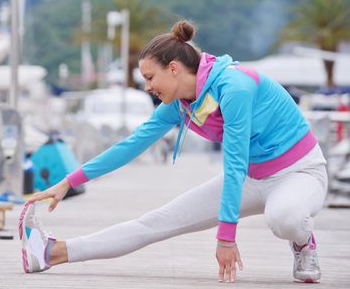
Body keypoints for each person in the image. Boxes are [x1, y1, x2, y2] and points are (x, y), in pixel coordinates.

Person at [19, 20, 327, 283]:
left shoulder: (235, 87)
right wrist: (67, 182)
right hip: (252, 177)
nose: (147, 87)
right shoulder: (180, 104)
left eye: (150, 78)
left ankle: (304, 243)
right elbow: (130, 146)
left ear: (174, 68)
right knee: (155, 223)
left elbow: (234, 163)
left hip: (298, 173)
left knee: (284, 217)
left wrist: (226, 237)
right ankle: (51, 253)